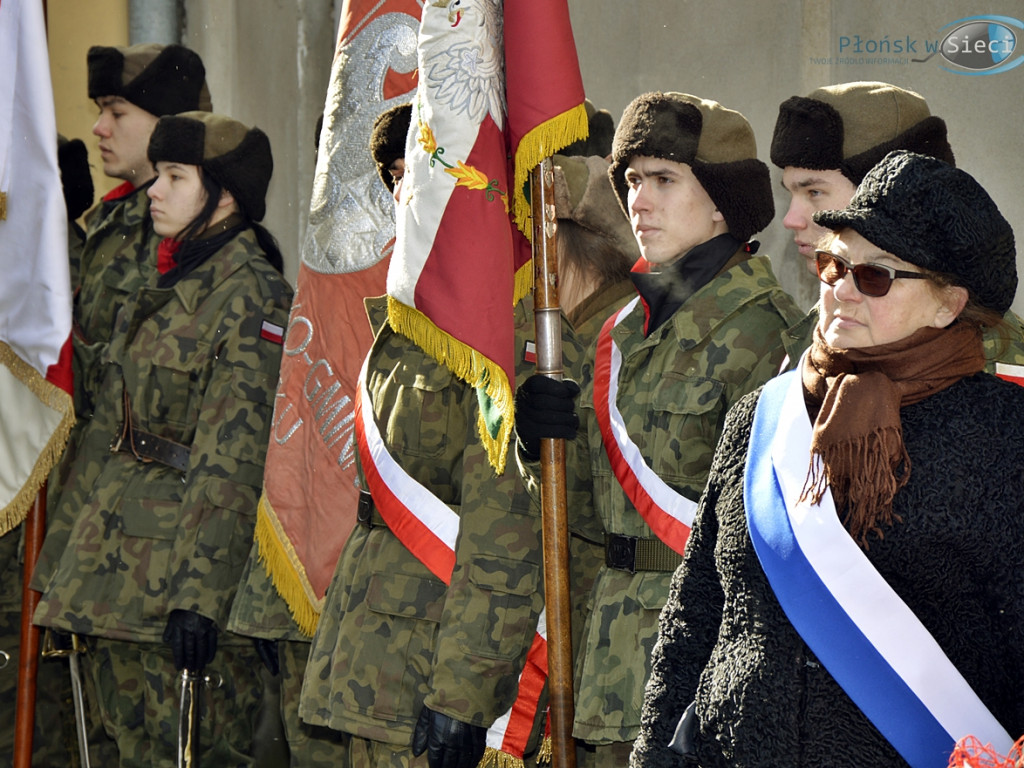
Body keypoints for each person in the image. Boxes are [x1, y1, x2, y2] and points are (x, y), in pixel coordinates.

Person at [631, 150, 1024, 767]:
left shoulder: (1005, 437)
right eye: (834, 263)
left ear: (950, 304)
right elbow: (694, 618)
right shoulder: (763, 417)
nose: (841, 287)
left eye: (875, 276)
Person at [514, 91, 803, 767]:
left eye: (664, 180)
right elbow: (589, 516)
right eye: (633, 181)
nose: (638, 201)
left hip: (699, 671)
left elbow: (766, 545)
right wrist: (539, 444)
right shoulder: (625, 334)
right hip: (609, 666)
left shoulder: (766, 331)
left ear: (723, 202)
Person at [32, 111, 293, 767]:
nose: (155, 189)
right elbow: (109, 434)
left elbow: (233, 457)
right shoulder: (162, 279)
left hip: (182, 583)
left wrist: (198, 601)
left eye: (175, 176)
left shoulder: (252, 295)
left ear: (225, 194)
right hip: (112, 578)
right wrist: (60, 569)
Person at [225, 104, 414, 768]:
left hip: (419, 616)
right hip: (334, 604)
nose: (389, 188)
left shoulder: (467, 294)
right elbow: (297, 431)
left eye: (401, 169)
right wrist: (274, 597)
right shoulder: (334, 279)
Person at [31, 41, 213, 613]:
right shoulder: (111, 221)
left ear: (167, 124)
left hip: (143, 521)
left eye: (117, 111)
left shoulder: (184, 236)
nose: (98, 127)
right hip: (87, 496)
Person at [770, 80, 1024, 372]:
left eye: (814, 192)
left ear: (887, 190)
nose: (791, 219)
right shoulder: (832, 315)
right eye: (791, 193)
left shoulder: (987, 357)